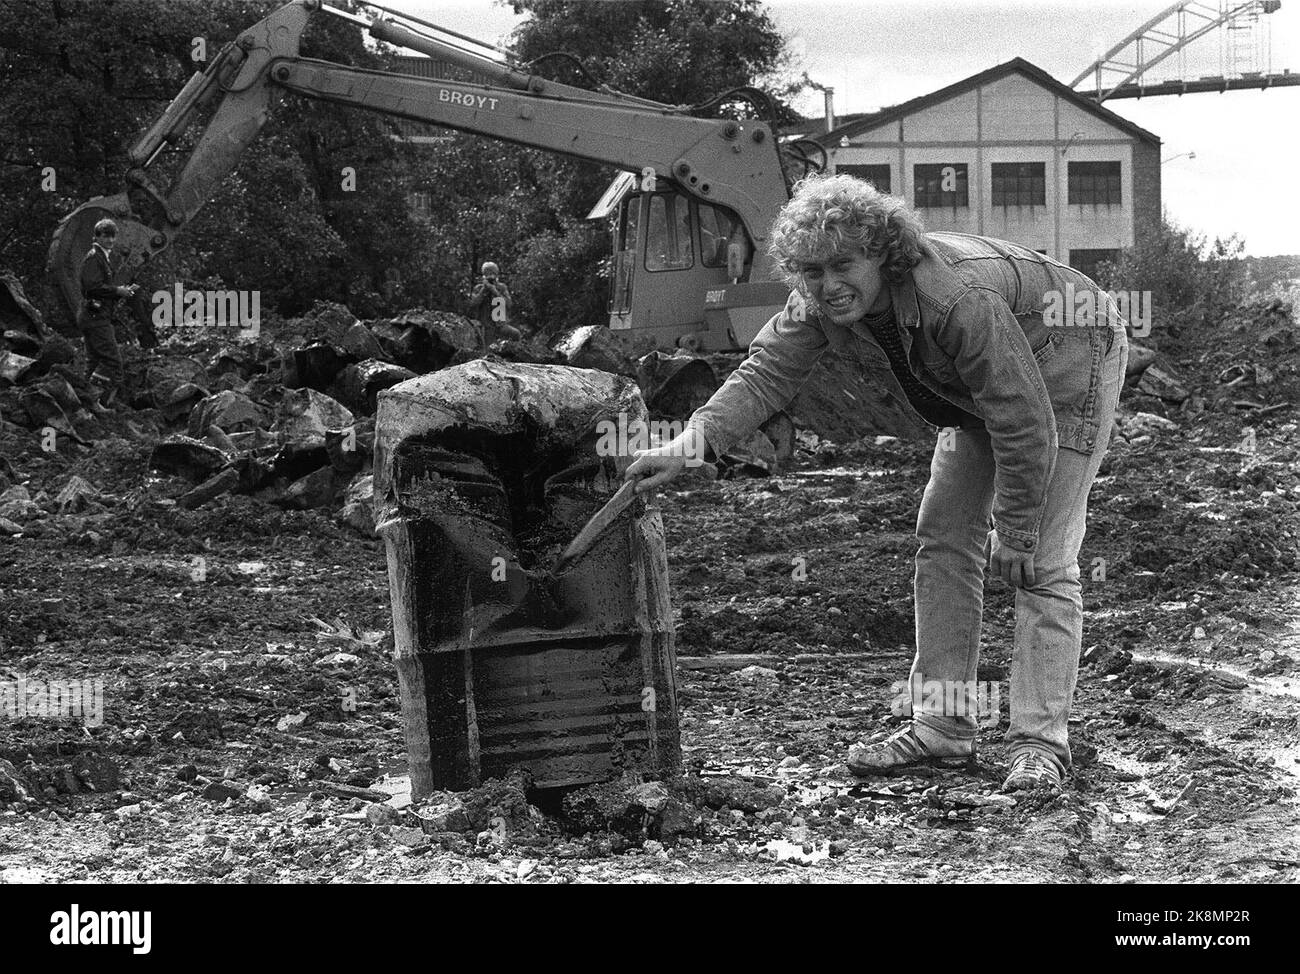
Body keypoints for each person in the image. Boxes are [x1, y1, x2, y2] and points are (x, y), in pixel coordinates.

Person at [625, 173, 1129, 793]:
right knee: (944, 537)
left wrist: (1017, 529)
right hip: (985, 386)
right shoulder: (818, 302)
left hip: (1071, 351)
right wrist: (688, 444)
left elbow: (1023, 417)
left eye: (843, 265)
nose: (829, 285)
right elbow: (764, 376)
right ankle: (944, 725)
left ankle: (1038, 743)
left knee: (1042, 562)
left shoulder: (956, 298)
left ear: (882, 255)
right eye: (812, 271)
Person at [78, 218, 138, 406]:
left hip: (94, 316)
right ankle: (101, 405)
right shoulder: (94, 258)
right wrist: (116, 291)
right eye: (106, 236)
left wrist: (122, 291)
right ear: (96, 237)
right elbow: (91, 287)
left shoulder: (102, 257)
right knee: (113, 363)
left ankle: (81, 400)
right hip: (95, 318)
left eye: (113, 236)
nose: (110, 241)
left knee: (93, 362)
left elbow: (100, 287)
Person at [468, 260, 522, 343]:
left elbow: (509, 304)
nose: (490, 276)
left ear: (496, 274)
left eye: (492, 273)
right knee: (488, 347)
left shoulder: (502, 287)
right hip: (485, 325)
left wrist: (495, 291)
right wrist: (483, 290)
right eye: (487, 273)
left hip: (500, 325)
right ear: (484, 275)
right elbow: (473, 304)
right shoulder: (479, 288)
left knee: (516, 334)